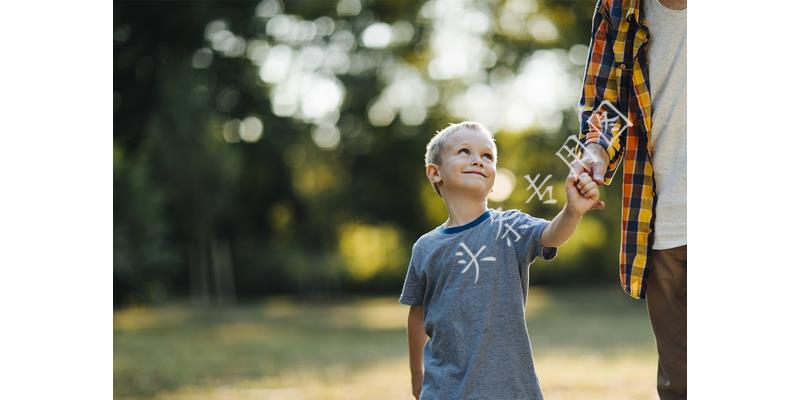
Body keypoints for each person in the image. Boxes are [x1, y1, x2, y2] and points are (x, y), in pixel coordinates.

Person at [400, 121, 601, 400]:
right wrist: (417, 373)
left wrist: (572, 211)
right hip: (444, 388)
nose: (478, 160)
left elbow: (551, 236)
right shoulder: (425, 247)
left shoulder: (509, 227)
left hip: (508, 387)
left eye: (487, 156)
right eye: (464, 151)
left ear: (493, 181)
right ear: (435, 173)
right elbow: (418, 313)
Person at [574, 0, 686, 398]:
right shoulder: (618, 8)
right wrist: (595, 152)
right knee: (681, 384)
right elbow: (605, 105)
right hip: (665, 225)